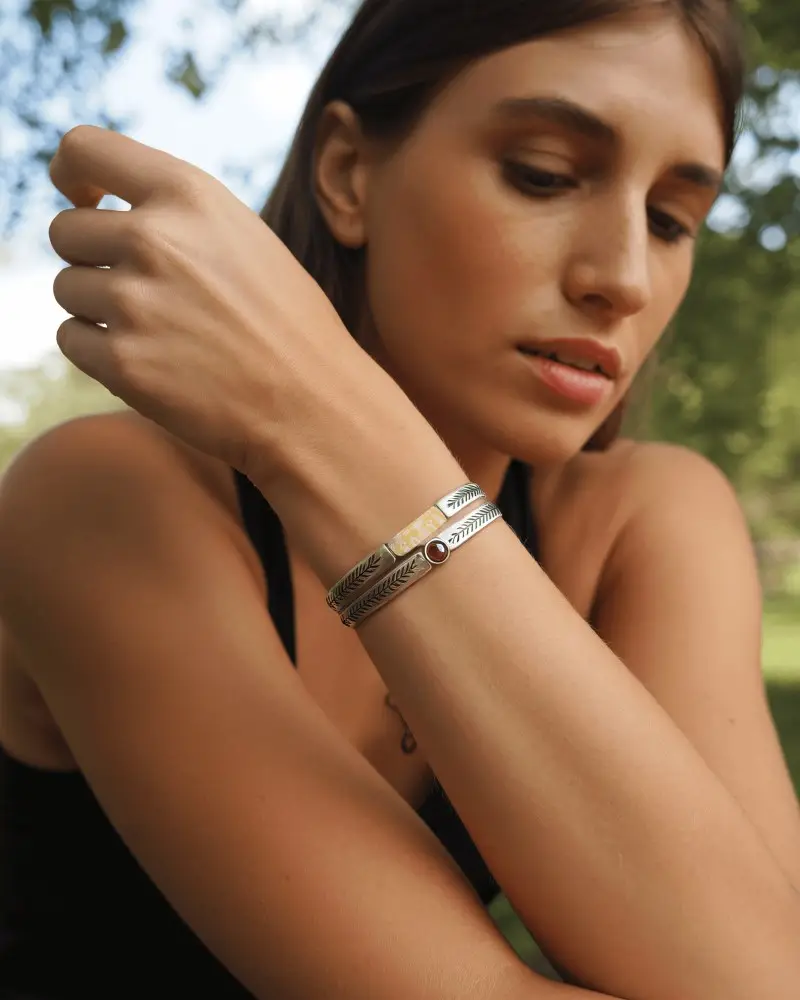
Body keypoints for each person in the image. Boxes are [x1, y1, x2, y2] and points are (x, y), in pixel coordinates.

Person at [1, 0, 799, 997]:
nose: (624, 277)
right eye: (543, 174)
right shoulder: (101, 500)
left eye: (671, 219)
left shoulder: (647, 518)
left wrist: (321, 419)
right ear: (347, 173)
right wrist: (317, 421)